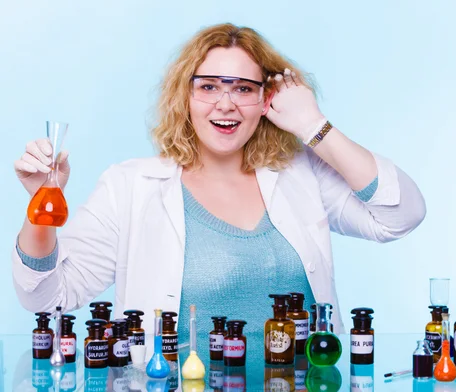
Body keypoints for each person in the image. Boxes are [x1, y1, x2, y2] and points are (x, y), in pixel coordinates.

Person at [12, 23, 426, 346]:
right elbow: (48, 298)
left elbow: (400, 216)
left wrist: (314, 126)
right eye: (208, 86)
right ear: (184, 96)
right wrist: (41, 207)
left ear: (266, 101)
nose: (225, 104)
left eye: (243, 89)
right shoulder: (130, 186)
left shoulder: (301, 174)